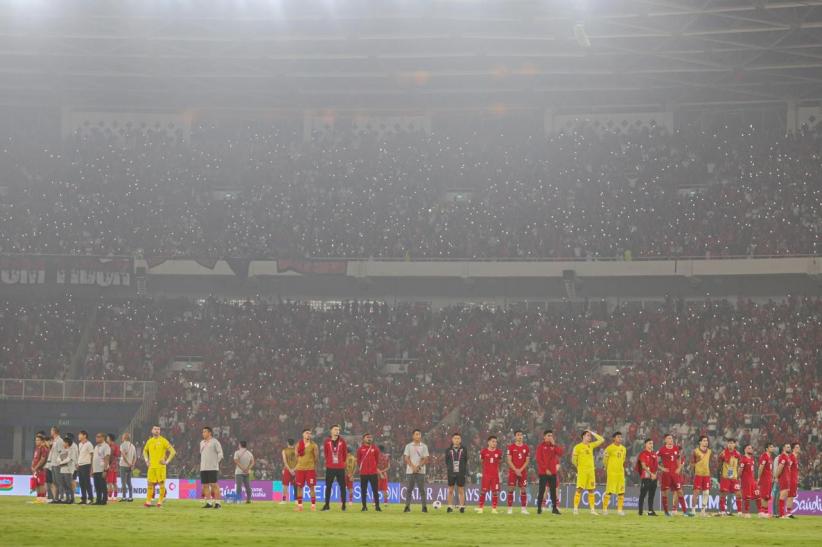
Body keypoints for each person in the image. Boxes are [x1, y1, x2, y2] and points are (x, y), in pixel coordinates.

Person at [657, 434, 692, 517]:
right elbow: (655, 460)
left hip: (675, 474)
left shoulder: (676, 448)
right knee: (665, 493)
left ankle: (685, 512)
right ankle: (666, 512)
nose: (671, 440)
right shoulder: (662, 450)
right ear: (665, 440)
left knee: (680, 491)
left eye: (672, 438)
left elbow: (679, 458)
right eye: (669, 438)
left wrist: (679, 468)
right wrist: (662, 468)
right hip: (666, 475)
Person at [142, 425, 176, 508]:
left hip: (160, 467)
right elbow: (144, 451)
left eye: (158, 429)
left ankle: (160, 502)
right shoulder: (149, 441)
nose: (157, 430)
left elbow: (173, 451)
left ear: (160, 431)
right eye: (155, 429)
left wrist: (166, 461)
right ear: (152, 430)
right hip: (151, 467)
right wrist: (147, 460)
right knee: (150, 484)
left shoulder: (163, 441)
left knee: (161, 484)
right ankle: (148, 502)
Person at [571, 430, 604, 515]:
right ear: (583, 437)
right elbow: (574, 460)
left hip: (591, 471)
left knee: (591, 490)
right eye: (588, 435)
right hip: (582, 471)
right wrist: (578, 467)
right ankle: (575, 508)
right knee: (579, 489)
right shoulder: (577, 447)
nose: (589, 437)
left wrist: (592, 432)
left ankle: (592, 510)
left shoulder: (591, 445)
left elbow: (601, 440)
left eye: (590, 436)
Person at [535, 429, 563, 515]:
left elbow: (560, 453)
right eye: (548, 436)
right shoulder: (540, 447)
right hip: (543, 473)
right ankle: (539, 508)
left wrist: (554, 444)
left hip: (553, 473)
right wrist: (545, 469)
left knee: (553, 491)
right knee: (542, 490)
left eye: (551, 435)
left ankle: (554, 508)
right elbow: (539, 459)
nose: (550, 437)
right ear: (544, 437)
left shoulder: (554, 446)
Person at [321, 424, 348, 511]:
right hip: (330, 467)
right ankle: (327, 505)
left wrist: (340, 462)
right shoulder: (327, 441)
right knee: (328, 486)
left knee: (342, 486)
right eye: (335, 429)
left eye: (338, 430)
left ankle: (343, 505)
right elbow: (326, 453)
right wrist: (330, 461)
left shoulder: (342, 441)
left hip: (340, 467)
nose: (337, 431)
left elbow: (344, 454)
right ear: (331, 431)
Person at [402, 429, 430, 513]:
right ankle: (407, 507)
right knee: (409, 489)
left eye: (419, 434)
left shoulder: (424, 446)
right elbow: (406, 458)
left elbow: (426, 459)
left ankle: (424, 507)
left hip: (421, 471)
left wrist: (418, 467)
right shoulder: (408, 446)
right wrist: (413, 467)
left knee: (422, 490)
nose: (418, 436)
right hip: (410, 471)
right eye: (416, 434)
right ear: (413, 436)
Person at [294, 429, 320, 512]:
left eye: (310, 433)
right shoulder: (298, 444)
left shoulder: (314, 445)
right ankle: (300, 505)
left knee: (312, 487)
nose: (308, 435)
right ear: (303, 434)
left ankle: (313, 505)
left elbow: (316, 458)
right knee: (299, 487)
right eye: (307, 433)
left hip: (310, 469)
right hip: (300, 469)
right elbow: (296, 456)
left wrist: (311, 464)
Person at [475, 436, 502, 514]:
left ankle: (494, 508)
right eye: (493, 441)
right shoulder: (483, 452)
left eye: (495, 442)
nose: (494, 443)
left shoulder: (499, 452)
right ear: (488, 442)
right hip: (486, 475)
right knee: (483, 491)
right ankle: (480, 508)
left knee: (495, 492)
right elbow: (481, 461)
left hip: (495, 476)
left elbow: (499, 461)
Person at [506, 430, 530, 515]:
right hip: (513, 471)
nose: (520, 436)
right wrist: (516, 470)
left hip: (522, 472)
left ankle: (523, 509)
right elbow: (509, 460)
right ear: (515, 437)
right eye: (518, 435)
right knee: (511, 488)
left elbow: (527, 461)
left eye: (521, 435)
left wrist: (520, 470)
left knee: (523, 489)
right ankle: (509, 509)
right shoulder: (511, 447)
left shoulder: (526, 448)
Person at [602, 431, 627, 516]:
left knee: (621, 491)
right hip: (612, 472)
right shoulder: (609, 448)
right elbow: (605, 460)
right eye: (618, 437)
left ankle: (619, 510)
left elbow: (623, 460)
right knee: (609, 491)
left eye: (621, 437)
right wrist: (607, 468)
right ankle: (604, 509)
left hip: (620, 472)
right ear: (614, 438)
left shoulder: (623, 449)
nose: (620, 438)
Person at [200, 426, 224, 509]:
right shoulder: (202, 442)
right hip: (203, 467)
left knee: (214, 485)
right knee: (205, 485)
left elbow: (220, 453)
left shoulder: (215, 442)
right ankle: (209, 503)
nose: (203, 433)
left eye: (205, 432)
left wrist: (216, 462)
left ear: (209, 433)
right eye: (203, 432)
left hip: (212, 467)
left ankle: (218, 503)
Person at [357, 433, 381, 512]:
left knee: (375, 490)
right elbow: (358, 460)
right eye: (367, 437)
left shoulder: (375, 448)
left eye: (370, 437)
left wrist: (373, 467)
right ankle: (364, 506)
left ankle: (377, 506)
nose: (369, 438)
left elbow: (377, 460)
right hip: (363, 473)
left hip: (373, 473)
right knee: (363, 491)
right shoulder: (360, 449)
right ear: (363, 439)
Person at [718, 437, 742, 516]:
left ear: (735, 444)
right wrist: (719, 475)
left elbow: (739, 466)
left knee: (738, 494)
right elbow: (719, 465)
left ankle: (739, 512)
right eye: (729, 443)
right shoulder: (723, 453)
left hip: (734, 478)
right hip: (725, 477)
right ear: (727, 444)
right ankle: (722, 511)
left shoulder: (738, 454)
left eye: (732, 443)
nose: (730, 445)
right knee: (723, 494)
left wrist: (739, 476)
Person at [444, 432, 468, 513]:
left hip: (460, 473)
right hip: (451, 472)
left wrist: (462, 469)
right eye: (455, 438)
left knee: (461, 490)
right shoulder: (448, 450)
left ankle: (462, 507)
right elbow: (446, 461)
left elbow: (465, 460)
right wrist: (451, 468)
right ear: (452, 440)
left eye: (458, 438)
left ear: (460, 440)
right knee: (450, 490)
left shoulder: (464, 449)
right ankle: (450, 506)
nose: (457, 440)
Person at [690, 435, 712, 516]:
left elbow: (710, 463)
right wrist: (697, 462)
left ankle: (703, 511)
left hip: (706, 475)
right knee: (696, 492)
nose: (706, 442)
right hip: (698, 474)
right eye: (704, 440)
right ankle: (693, 510)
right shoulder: (695, 451)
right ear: (700, 442)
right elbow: (691, 464)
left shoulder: (710, 451)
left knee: (706, 492)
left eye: (707, 440)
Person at [636, 438, 658, 516]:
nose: (651, 445)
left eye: (652, 443)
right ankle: (640, 511)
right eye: (649, 443)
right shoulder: (643, 454)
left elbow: (656, 466)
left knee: (651, 495)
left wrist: (655, 475)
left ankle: (650, 511)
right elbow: (643, 466)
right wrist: (651, 474)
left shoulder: (654, 454)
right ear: (645, 444)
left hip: (653, 477)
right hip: (646, 477)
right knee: (643, 494)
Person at [56, 435, 78, 504]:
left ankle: (72, 499)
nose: (63, 444)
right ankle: (67, 499)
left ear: (67, 443)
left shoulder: (72, 450)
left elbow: (69, 459)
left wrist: (61, 462)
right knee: (64, 485)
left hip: (68, 470)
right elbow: (58, 457)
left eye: (64, 442)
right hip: (62, 470)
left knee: (69, 485)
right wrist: (59, 461)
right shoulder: (63, 450)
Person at [756, 442, 776, 518]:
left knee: (767, 496)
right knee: (764, 495)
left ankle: (765, 512)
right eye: (771, 447)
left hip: (769, 479)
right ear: (767, 449)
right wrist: (759, 477)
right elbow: (761, 467)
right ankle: (761, 512)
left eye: (773, 447)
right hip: (764, 479)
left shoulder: (770, 457)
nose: (773, 448)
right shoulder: (764, 456)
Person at [739, 444, 758, 518]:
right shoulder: (743, 459)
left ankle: (761, 512)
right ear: (745, 450)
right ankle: (745, 512)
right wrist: (739, 478)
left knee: (756, 495)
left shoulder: (752, 459)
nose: (751, 449)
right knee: (747, 496)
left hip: (752, 480)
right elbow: (740, 470)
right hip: (746, 481)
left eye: (751, 448)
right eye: (749, 448)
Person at [775, 443, 793, 518]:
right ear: (783, 448)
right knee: (782, 495)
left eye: (789, 447)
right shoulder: (783, 456)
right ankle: (781, 514)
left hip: (787, 478)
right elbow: (780, 467)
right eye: (787, 447)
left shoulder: (787, 457)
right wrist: (776, 476)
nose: (789, 448)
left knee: (784, 496)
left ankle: (782, 514)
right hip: (784, 478)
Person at [92, 432, 111, 505]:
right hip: (96, 469)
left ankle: (104, 500)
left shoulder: (106, 446)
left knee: (102, 485)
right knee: (97, 486)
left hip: (102, 469)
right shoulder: (96, 447)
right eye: (96, 436)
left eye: (98, 436)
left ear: (103, 438)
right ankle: (98, 500)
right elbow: (94, 458)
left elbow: (107, 458)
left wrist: (105, 470)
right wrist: (92, 469)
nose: (96, 438)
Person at [76, 430, 94, 505]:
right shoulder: (80, 444)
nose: (78, 436)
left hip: (86, 465)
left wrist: (91, 467)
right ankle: (83, 498)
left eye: (80, 435)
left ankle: (90, 498)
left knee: (87, 483)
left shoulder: (89, 444)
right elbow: (80, 455)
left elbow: (92, 455)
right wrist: (78, 463)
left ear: (84, 436)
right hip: (80, 465)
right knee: (81, 483)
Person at [46, 426, 63, 502]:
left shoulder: (59, 441)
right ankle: (55, 498)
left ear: (54, 431)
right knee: (54, 482)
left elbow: (61, 452)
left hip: (57, 464)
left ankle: (61, 498)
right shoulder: (54, 441)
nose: (50, 432)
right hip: (52, 463)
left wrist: (59, 462)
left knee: (59, 482)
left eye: (51, 430)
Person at [31, 433, 49, 502]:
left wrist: (36, 467)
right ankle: (38, 498)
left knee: (41, 484)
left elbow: (42, 459)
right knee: (37, 483)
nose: (36, 441)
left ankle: (43, 498)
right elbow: (35, 458)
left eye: (38, 440)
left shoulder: (43, 448)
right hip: (36, 469)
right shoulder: (37, 449)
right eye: (36, 440)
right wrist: (32, 466)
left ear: (42, 441)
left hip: (41, 469)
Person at [119, 433, 137, 502]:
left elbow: (123, 456)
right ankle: (130, 497)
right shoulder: (132, 446)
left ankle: (124, 497)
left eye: (122, 436)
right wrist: (132, 464)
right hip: (130, 467)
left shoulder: (122, 445)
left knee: (123, 482)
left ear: (124, 438)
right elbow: (135, 457)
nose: (122, 438)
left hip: (123, 465)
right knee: (129, 482)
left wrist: (128, 463)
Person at [281, 439, 297, 504]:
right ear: (294, 443)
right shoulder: (297, 450)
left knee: (285, 485)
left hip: (287, 470)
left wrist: (289, 470)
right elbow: (299, 461)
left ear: (287, 443)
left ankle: (284, 500)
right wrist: (294, 469)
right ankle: (297, 500)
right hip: (296, 470)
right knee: (296, 485)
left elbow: (285, 461)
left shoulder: (284, 451)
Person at [105, 433, 120, 502]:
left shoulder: (109, 446)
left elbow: (109, 456)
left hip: (110, 466)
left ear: (110, 438)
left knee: (110, 482)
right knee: (114, 482)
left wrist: (108, 464)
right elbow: (117, 455)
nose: (106, 439)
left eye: (107, 438)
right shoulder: (116, 446)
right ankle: (115, 496)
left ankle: (110, 496)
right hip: (115, 467)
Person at [788, 442, 800, 519]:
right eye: (797, 447)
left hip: (794, 479)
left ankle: (789, 512)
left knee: (792, 496)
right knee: (790, 496)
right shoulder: (792, 457)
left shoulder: (795, 457)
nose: (798, 448)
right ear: (793, 449)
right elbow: (788, 467)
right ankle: (788, 513)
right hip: (791, 479)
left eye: (799, 447)